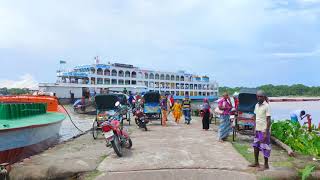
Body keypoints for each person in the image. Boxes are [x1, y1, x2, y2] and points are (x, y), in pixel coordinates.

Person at [249, 90, 271, 171]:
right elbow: (255, 117)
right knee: (255, 146)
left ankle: (266, 165)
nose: (259, 98)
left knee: (265, 147)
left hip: (264, 130)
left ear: (264, 97)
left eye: (261, 96)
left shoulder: (267, 106)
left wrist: (266, 131)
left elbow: (269, 120)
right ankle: (256, 162)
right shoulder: (256, 105)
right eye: (258, 96)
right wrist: (254, 128)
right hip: (257, 129)